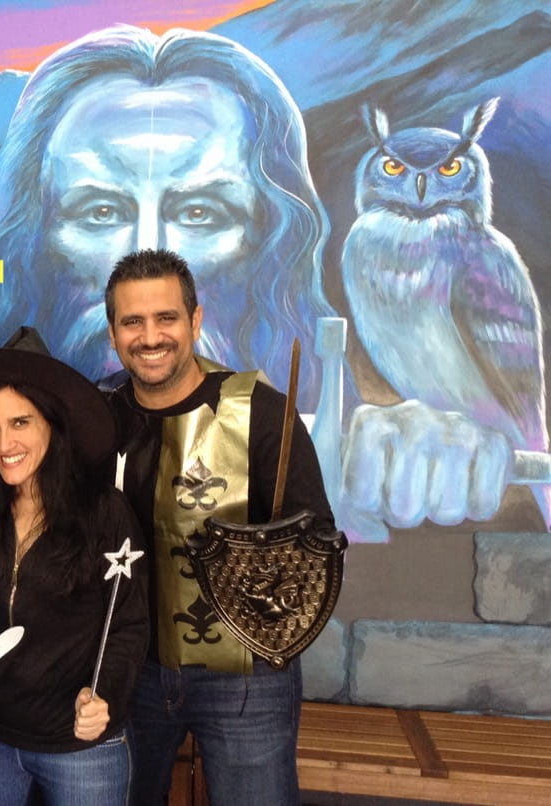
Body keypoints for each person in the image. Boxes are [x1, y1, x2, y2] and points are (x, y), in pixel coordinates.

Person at [0, 25, 334, 413]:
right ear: (34, 240)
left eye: (199, 213)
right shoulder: (5, 440)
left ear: (269, 239)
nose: (146, 260)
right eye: (101, 212)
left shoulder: (278, 429)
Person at [103, 248, 335, 805]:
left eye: (166, 318)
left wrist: (264, 565)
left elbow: (318, 545)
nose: (150, 336)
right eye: (132, 321)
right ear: (112, 333)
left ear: (196, 320)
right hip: (127, 669)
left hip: (246, 676)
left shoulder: (261, 413)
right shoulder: (97, 414)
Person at [0, 328, 149, 806]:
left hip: (82, 746)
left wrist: (105, 695)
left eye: (20, 422)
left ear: (51, 423)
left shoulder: (103, 511)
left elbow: (127, 622)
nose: (4, 443)